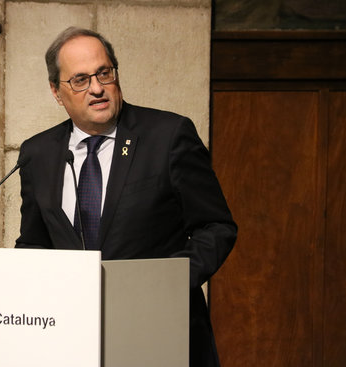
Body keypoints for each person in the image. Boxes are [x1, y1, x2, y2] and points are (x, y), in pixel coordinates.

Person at [15, 26, 237, 367]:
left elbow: (216, 227)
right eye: (80, 80)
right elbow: (34, 243)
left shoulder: (168, 136)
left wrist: (168, 282)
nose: (97, 88)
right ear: (56, 92)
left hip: (160, 332)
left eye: (104, 73)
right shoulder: (38, 153)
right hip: (73, 337)